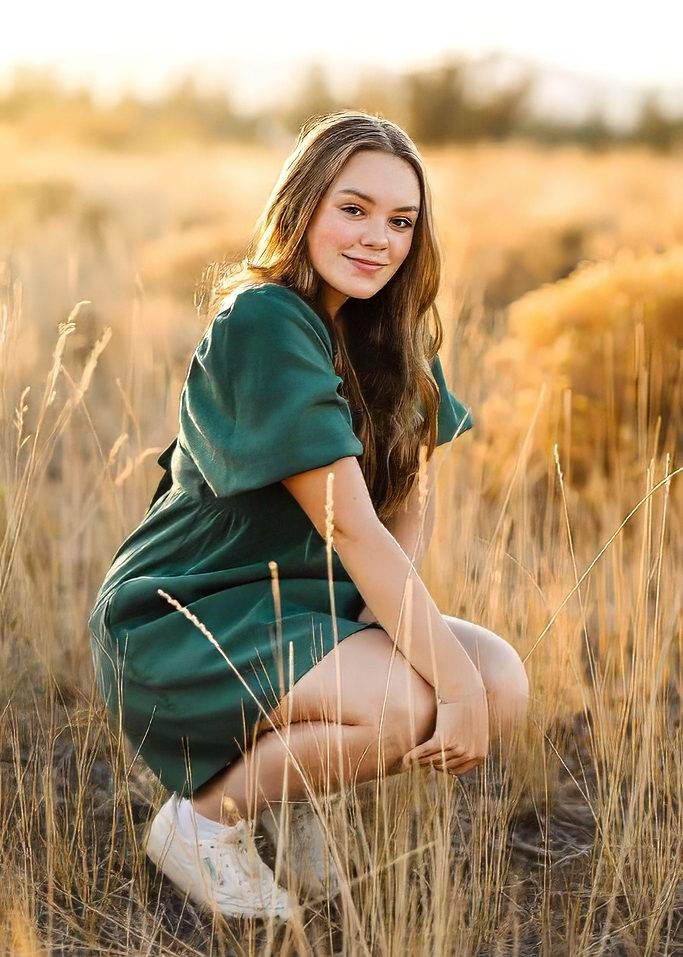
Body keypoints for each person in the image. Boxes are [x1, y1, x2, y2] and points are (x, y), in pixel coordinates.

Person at [88, 110, 529, 922]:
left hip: (302, 607)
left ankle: (288, 802)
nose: (377, 239)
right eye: (352, 209)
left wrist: (388, 626)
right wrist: (446, 683)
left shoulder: (393, 327)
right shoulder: (264, 319)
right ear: (303, 205)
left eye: (401, 221)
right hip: (189, 614)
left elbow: (406, 495)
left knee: (501, 679)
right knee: (410, 701)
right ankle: (202, 822)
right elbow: (350, 525)